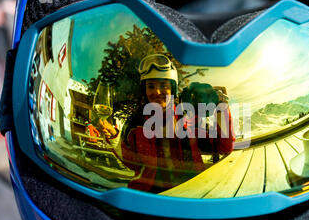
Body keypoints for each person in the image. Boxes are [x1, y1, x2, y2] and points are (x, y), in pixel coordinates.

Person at [100, 54, 235, 193]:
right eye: (151, 86)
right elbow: (133, 163)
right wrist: (115, 138)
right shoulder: (136, 123)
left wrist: (221, 106)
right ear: (144, 90)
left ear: (173, 89)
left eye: (164, 85)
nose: (157, 92)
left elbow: (223, 146)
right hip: (152, 193)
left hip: (193, 190)